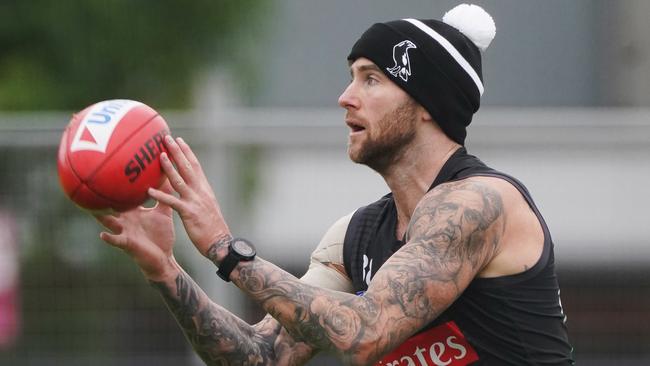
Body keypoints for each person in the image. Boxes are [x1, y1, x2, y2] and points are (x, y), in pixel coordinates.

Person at [96, 4, 574, 365]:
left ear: (428, 102)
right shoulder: (356, 235)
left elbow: (366, 333)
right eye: (351, 78)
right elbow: (260, 356)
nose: (345, 98)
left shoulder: (480, 203)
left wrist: (225, 249)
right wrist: (164, 268)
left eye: (371, 79)